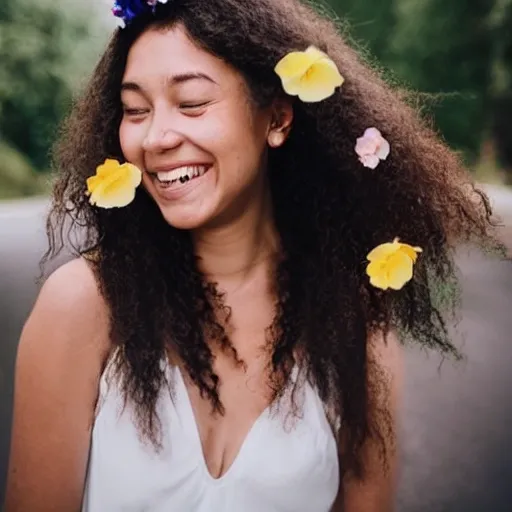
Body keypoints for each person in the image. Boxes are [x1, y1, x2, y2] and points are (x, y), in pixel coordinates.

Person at [5, 0, 505, 510]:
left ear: (278, 118)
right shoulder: (82, 305)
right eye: (135, 110)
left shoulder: (356, 319)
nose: (155, 138)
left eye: (192, 102)